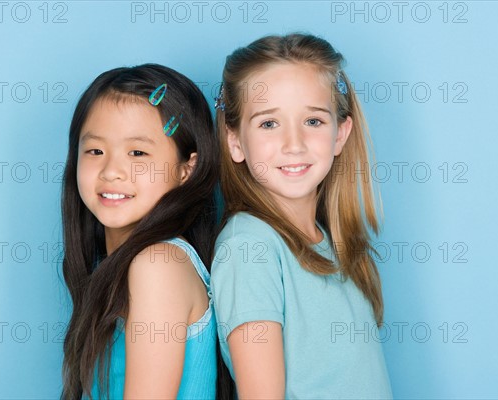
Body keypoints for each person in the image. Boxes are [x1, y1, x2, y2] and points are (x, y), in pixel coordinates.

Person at [211, 33, 393, 399]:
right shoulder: (248, 247)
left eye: (312, 121)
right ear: (234, 140)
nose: (293, 144)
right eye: (268, 124)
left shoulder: (333, 243)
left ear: (340, 134)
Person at [60, 64, 221, 399]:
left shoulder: (158, 265)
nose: (112, 171)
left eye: (137, 152)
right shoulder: (126, 265)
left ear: (186, 169)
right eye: (95, 151)